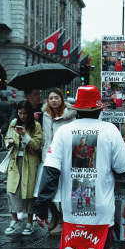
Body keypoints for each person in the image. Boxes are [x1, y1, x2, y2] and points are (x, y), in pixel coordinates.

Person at [34, 85, 125, 249]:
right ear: (99, 109)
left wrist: (41, 207)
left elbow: (51, 172)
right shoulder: (110, 131)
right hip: (100, 214)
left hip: (73, 212)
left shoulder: (64, 132)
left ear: (77, 109)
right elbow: (123, 168)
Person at [39, 88, 76, 235]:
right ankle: (54, 216)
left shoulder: (70, 116)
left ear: (62, 99)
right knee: (45, 190)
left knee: (61, 192)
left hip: (65, 157)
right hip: (47, 156)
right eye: (51, 98)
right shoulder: (45, 115)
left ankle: (62, 221)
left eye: (56, 98)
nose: (53, 100)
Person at [4, 100, 43, 236]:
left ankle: (29, 223)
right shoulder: (14, 123)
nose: (22, 116)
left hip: (30, 162)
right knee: (12, 190)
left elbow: (38, 144)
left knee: (29, 192)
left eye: (25, 113)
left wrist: (25, 135)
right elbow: (7, 137)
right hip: (15, 160)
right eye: (20, 113)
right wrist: (9, 142)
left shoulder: (36, 125)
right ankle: (14, 220)